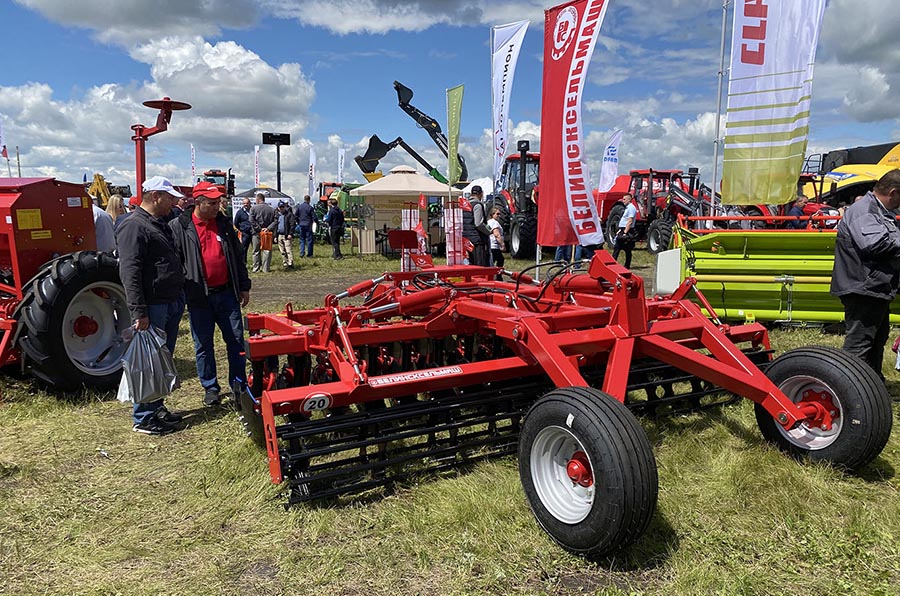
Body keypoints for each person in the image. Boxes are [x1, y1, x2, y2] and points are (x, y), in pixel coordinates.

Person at [170, 181, 252, 406]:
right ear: (198, 203)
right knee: (203, 345)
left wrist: (244, 286)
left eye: (218, 202)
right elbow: (175, 262)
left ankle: (238, 386)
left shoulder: (224, 224)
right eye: (212, 203)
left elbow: (237, 258)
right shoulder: (180, 226)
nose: (218, 206)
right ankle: (210, 387)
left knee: (236, 341)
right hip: (199, 297)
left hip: (227, 294)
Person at [115, 175, 186, 435]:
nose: (172, 203)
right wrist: (139, 311)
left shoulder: (157, 223)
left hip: (168, 300)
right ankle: (144, 416)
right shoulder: (134, 226)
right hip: (153, 304)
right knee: (147, 361)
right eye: (169, 198)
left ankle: (155, 407)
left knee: (160, 359)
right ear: (155, 196)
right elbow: (130, 271)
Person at [831, 169, 900, 377]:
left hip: (874, 287)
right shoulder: (864, 211)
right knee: (859, 345)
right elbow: (875, 245)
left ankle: (871, 388)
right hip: (863, 288)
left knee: (877, 340)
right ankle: (850, 390)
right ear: (894, 192)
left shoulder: (879, 211)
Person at [462, 185, 491, 266]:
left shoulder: (464, 205)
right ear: (481, 194)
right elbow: (478, 223)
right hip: (476, 240)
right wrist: (488, 231)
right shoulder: (477, 205)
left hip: (465, 239)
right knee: (479, 265)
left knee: (469, 265)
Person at [249, 192, 276, 272]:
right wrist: (267, 228)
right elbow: (276, 221)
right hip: (267, 233)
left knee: (256, 251)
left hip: (256, 233)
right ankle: (266, 268)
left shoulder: (253, 208)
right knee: (266, 250)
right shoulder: (272, 209)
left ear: (258, 199)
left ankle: (256, 268)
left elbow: (251, 220)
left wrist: (259, 229)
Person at [612, 193, 637, 268]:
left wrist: (625, 232)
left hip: (627, 230)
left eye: (624, 199)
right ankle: (615, 263)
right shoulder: (627, 208)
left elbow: (630, 221)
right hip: (622, 229)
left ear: (629, 200)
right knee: (619, 247)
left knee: (623, 248)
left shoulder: (631, 208)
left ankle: (624, 264)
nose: (623, 201)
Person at [275, 200, 296, 270]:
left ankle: (290, 263)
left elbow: (292, 224)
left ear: (285, 207)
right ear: (278, 208)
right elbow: (275, 226)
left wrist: (291, 234)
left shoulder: (289, 215)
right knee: (282, 251)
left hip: (286, 235)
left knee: (288, 250)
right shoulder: (277, 215)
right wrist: (275, 236)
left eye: (283, 207)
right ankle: (285, 262)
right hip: (279, 235)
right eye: (280, 207)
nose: (281, 208)